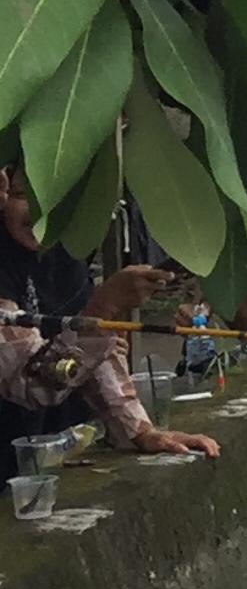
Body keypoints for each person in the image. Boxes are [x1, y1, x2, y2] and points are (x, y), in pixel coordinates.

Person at [0, 174, 217, 459]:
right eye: (23, 195)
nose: (39, 212)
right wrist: (104, 305)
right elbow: (31, 386)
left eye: (54, 198)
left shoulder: (67, 253)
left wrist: (140, 431)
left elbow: (97, 350)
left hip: (54, 455)